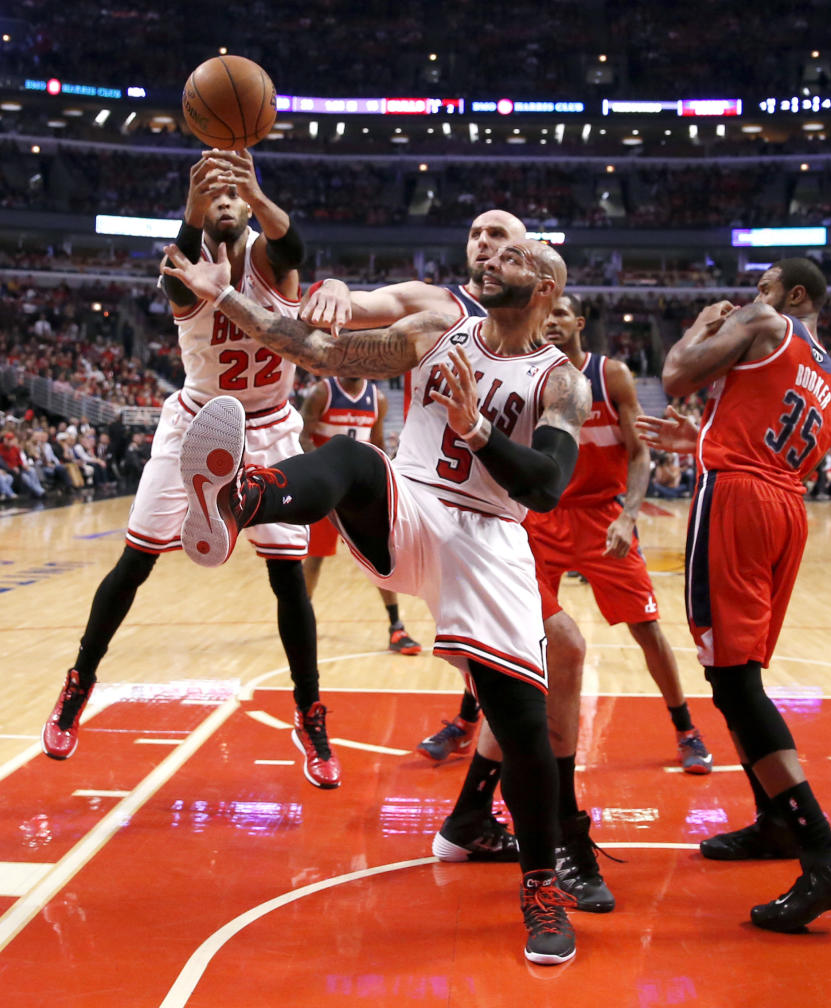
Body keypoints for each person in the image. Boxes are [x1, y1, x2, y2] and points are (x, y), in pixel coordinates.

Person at [163, 235, 591, 966]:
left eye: (514, 259)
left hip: (493, 542)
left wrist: (476, 430)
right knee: (358, 458)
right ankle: (242, 497)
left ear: (547, 287)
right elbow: (318, 352)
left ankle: (542, 888)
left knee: (523, 724)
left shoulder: (561, 381)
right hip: (416, 509)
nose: (492, 262)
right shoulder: (435, 332)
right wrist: (225, 296)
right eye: (490, 257)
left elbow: (545, 489)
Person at [302, 213, 616, 916]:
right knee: (551, 655)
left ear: (531, 264)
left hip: (501, 519)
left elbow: (553, 448)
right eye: (474, 235)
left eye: (500, 237)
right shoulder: (441, 308)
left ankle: (474, 812)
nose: (484, 246)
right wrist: (331, 284)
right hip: (438, 516)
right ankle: (557, 834)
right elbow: (347, 316)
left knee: (532, 661)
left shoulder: (542, 336)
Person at [41, 148, 342, 790]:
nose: (226, 201)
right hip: (196, 424)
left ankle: (309, 711)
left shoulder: (268, 257)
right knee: (135, 561)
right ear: (200, 211)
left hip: (268, 428)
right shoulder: (182, 264)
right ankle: (78, 683)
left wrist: (255, 192)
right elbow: (182, 265)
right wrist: (192, 203)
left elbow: (295, 247)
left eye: (235, 196)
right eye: (216, 197)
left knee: (288, 581)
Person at [638, 257, 831, 933]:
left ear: (794, 296)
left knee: (734, 681)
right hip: (785, 510)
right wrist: (706, 439)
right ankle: (775, 824)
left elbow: (677, 375)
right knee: (743, 671)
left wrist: (700, 325)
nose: (750, 298)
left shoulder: (766, 321)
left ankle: (824, 855)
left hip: (737, 502)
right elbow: (770, 434)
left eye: (764, 287)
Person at [526, 293, 712, 775]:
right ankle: (467, 722)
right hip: (544, 515)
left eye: (561, 314)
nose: (551, 322)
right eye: (545, 315)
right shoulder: (527, 375)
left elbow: (638, 453)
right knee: (510, 628)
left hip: (600, 515)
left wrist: (628, 516)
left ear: (579, 322)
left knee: (646, 627)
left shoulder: (611, 376)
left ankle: (686, 728)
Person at [299, 376, 421, 654]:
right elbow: (302, 434)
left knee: (379, 557)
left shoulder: (377, 398)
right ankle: (303, 621)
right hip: (326, 488)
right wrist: (321, 470)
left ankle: (396, 627)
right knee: (315, 559)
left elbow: (376, 443)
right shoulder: (323, 392)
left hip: (358, 489)